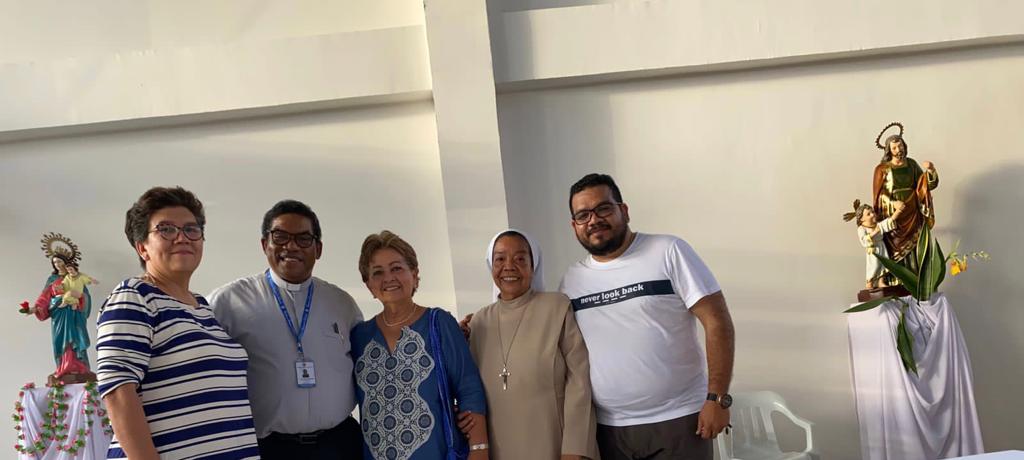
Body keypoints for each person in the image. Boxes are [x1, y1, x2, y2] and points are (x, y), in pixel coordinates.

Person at [559, 173, 735, 460]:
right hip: (608, 429)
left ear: (624, 211)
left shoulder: (669, 251)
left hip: (680, 421)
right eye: (583, 215)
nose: (594, 220)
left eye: (603, 208)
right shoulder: (571, 281)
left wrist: (717, 398)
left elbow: (717, 321)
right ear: (574, 225)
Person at [96, 186, 259, 459]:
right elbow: (117, 391)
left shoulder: (202, 307)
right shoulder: (134, 296)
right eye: (167, 230)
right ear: (142, 247)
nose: (182, 238)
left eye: (191, 229)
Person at [209, 200, 365, 459]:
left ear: (318, 249)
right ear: (264, 244)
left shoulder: (342, 303)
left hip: (338, 444)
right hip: (269, 448)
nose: (291, 246)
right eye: (280, 237)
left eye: (303, 238)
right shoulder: (228, 302)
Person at [351, 230, 489, 460]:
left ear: (414, 275)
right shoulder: (359, 336)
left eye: (397, 268)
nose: (389, 278)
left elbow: (469, 389)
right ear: (369, 285)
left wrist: (479, 451)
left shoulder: (439, 323)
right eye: (378, 272)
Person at [467, 229, 599, 460]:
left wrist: (574, 449)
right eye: (500, 259)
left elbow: (579, 383)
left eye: (520, 259)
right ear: (491, 265)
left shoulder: (556, 307)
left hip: (555, 443)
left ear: (533, 265)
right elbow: (469, 389)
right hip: (499, 446)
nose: (509, 266)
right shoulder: (479, 321)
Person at [872, 129, 939, 285]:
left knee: (915, 247)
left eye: (900, 146)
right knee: (894, 247)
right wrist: (892, 203)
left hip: (912, 212)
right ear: (889, 150)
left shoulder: (912, 164)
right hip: (894, 214)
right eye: (894, 147)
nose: (898, 150)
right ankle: (896, 281)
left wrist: (931, 170)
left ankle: (914, 281)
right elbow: (878, 195)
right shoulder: (882, 169)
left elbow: (924, 186)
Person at [23, 252, 94, 379]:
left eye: (60, 261)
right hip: (59, 314)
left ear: (65, 263)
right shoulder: (52, 280)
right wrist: (35, 308)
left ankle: (80, 367)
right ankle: (63, 367)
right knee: (60, 340)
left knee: (76, 338)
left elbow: (85, 296)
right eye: (55, 262)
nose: (57, 264)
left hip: (74, 314)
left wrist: (78, 296)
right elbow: (44, 297)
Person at [844, 200, 906, 289]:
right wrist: (875, 232)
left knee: (884, 264)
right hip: (873, 249)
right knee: (874, 265)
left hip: (882, 246)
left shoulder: (878, 225)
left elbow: (889, 221)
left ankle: (881, 281)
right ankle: (869, 283)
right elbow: (864, 241)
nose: (873, 215)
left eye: (872, 212)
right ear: (861, 219)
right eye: (868, 214)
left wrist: (899, 210)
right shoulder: (861, 229)